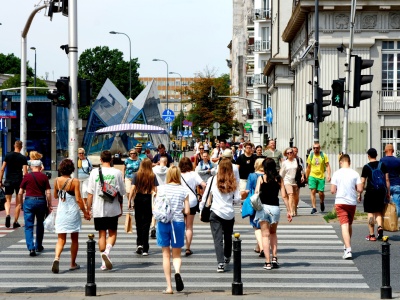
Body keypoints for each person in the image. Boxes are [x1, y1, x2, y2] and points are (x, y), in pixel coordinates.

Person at [86, 150, 125, 270]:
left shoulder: (94, 173)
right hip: (112, 208)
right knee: (112, 233)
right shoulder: (117, 172)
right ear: (111, 160)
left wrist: (88, 209)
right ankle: (107, 252)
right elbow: (121, 192)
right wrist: (121, 206)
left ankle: (103, 262)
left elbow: (90, 193)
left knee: (101, 234)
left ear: (101, 160)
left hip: (98, 208)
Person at [200, 158, 240, 273]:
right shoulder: (233, 182)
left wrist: (201, 208)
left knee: (217, 239)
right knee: (228, 236)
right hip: (229, 213)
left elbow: (206, 196)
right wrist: (231, 200)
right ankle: (227, 256)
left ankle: (220, 263)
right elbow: (237, 199)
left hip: (215, 212)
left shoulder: (212, 180)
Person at [52, 159, 91, 273]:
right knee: (74, 239)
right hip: (73, 212)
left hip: (61, 213)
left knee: (61, 239)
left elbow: (55, 195)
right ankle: (72, 263)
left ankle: (56, 258)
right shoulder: (75, 181)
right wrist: (85, 212)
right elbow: (78, 199)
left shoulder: (57, 180)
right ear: (72, 169)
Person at [157, 166, 189, 294]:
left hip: (164, 222)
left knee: (165, 254)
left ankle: (169, 287)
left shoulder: (161, 189)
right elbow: (187, 210)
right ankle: (177, 272)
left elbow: (157, 206)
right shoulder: (183, 190)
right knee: (176, 254)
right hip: (178, 223)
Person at [254, 158, 291, 270]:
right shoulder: (279, 179)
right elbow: (284, 196)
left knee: (265, 235)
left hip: (263, 208)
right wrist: (289, 210)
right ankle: (274, 258)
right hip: (275, 208)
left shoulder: (261, 178)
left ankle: (267, 262)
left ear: (264, 167)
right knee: (273, 233)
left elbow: (256, 193)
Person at [330, 154, 363, 259]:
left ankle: (348, 250)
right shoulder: (355, 173)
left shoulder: (336, 173)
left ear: (340, 162)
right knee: (349, 225)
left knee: (344, 225)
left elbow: (332, 190)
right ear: (349, 162)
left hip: (340, 202)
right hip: (352, 202)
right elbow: (360, 189)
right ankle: (346, 245)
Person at [18, 158, 51, 256]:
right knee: (40, 224)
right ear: (40, 167)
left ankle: (31, 248)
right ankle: (38, 245)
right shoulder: (44, 177)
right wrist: (49, 205)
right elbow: (48, 192)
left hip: (29, 201)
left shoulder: (27, 177)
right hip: (41, 201)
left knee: (28, 226)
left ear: (31, 167)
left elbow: (20, 193)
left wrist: (20, 204)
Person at [128, 158, 158, 256]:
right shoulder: (152, 175)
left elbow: (132, 188)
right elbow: (155, 189)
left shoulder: (136, 175)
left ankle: (139, 243)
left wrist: (129, 201)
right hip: (148, 199)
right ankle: (145, 248)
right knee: (146, 223)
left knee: (139, 223)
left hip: (139, 198)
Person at [361, 148, 390, 241]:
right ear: (376, 155)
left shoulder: (366, 167)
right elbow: (387, 180)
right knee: (378, 212)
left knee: (370, 213)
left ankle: (372, 235)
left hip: (370, 192)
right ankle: (380, 227)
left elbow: (362, 182)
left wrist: (359, 193)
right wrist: (388, 192)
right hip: (381, 191)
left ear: (368, 156)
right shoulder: (382, 165)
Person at [179, 157, 206, 256]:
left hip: (180, 202)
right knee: (189, 226)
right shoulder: (194, 174)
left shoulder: (178, 175)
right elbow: (204, 184)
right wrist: (204, 196)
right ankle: (188, 248)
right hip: (192, 202)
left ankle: (177, 246)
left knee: (179, 225)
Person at [0, 140, 28, 228]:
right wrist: (26, 183)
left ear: (14, 146)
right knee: (18, 203)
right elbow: (25, 172)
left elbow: (2, 169)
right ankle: (15, 222)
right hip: (19, 181)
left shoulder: (8, 155)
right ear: (21, 147)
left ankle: (8, 214)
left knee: (7, 200)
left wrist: (0, 180)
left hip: (8, 180)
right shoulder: (23, 158)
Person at [242, 158, 265, 256]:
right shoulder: (267, 175)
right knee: (264, 225)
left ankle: (262, 248)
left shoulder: (252, 175)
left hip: (255, 202)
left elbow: (247, 190)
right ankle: (258, 246)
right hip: (266, 202)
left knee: (256, 226)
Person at [305, 142, 331, 214]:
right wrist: (306, 177)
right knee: (313, 191)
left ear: (319, 148)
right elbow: (308, 167)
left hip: (321, 176)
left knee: (320, 193)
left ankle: (322, 202)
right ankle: (314, 207)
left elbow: (327, 166)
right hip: (312, 176)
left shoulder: (323, 156)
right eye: (314, 148)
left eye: (317, 148)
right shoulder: (311, 156)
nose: (315, 149)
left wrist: (329, 175)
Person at [380, 144, 400, 217]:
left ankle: (385, 220)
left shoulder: (382, 161)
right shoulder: (398, 161)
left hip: (385, 185)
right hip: (397, 184)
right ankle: (396, 221)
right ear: (393, 151)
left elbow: (380, 173)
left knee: (385, 204)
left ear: (385, 151)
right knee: (397, 204)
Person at [280, 148, 300, 217]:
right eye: (288, 153)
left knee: (295, 197)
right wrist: (279, 180)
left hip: (295, 181)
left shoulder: (296, 160)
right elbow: (282, 173)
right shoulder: (284, 163)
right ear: (286, 154)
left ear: (293, 153)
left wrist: (303, 176)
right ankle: (291, 211)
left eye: (291, 152)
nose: (289, 154)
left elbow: (301, 169)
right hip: (287, 180)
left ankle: (295, 209)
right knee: (290, 195)